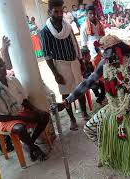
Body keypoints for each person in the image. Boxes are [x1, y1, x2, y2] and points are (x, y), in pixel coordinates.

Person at [56, 35, 130, 177]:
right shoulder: (104, 63)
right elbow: (87, 82)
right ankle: (108, 152)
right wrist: (67, 101)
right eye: (105, 56)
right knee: (89, 129)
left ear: (119, 50)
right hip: (113, 107)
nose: (108, 60)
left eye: (111, 55)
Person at [40, 0, 88, 131]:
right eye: (56, 12)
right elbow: (47, 55)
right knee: (66, 95)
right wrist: (55, 74)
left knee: (80, 90)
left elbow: (75, 45)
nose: (60, 14)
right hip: (60, 66)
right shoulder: (45, 32)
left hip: (74, 62)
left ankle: (84, 113)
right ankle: (72, 120)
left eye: (61, 11)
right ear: (49, 12)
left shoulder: (68, 26)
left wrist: (81, 61)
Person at [0, 47, 49, 161]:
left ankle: (29, 143)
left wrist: (35, 110)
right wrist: (20, 116)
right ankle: (35, 148)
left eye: (1, 65)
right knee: (20, 128)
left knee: (44, 116)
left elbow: (24, 100)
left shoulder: (13, 80)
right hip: (7, 119)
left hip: (21, 112)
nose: (0, 69)